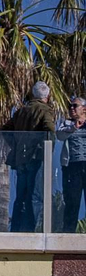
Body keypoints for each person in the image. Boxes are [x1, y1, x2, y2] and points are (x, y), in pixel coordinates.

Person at [6, 83, 56, 233]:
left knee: (21, 196)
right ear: (46, 96)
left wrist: (16, 144)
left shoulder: (21, 111)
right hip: (36, 157)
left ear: (33, 95)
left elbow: (6, 129)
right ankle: (31, 231)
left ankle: (15, 229)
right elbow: (50, 130)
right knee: (34, 195)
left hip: (21, 158)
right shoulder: (44, 110)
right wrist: (46, 150)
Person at [58, 97, 86, 233]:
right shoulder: (67, 123)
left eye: (75, 106)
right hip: (72, 166)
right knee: (72, 200)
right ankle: (68, 232)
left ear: (84, 109)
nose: (72, 109)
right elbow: (60, 135)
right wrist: (74, 127)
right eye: (70, 106)